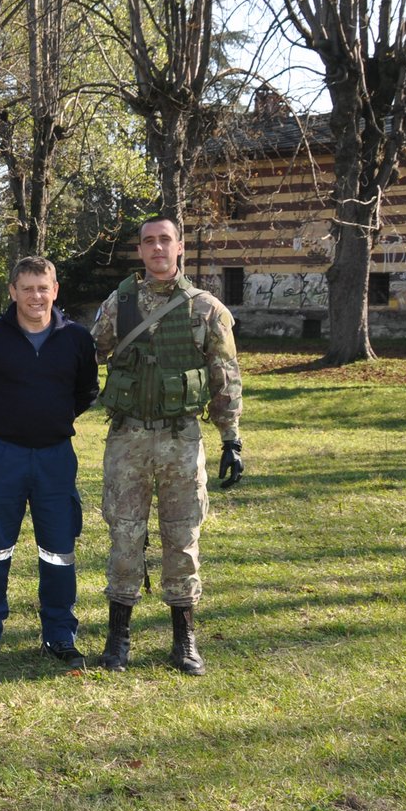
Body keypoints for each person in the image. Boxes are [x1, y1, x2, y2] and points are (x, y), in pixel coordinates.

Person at [92, 215, 245, 675]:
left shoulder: (207, 310)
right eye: (148, 242)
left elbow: (225, 376)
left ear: (179, 247)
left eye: (165, 240)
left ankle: (185, 640)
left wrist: (231, 439)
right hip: (128, 438)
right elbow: (85, 355)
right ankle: (118, 638)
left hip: (182, 439)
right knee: (124, 534)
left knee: (183, 536)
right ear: (139, 251)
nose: (157, 248)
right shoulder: (118, 305)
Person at [0, 256, 99, 670]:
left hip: (56, 456)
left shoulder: (75, 338)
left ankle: (59, 636)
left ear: (55, 291)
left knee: (59, 550)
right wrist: (10, 422)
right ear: (12, 292)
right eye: (27, 288)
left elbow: (86, 392)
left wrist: (51, 420)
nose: (36, 296)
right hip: (4, 454)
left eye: (43, 288)